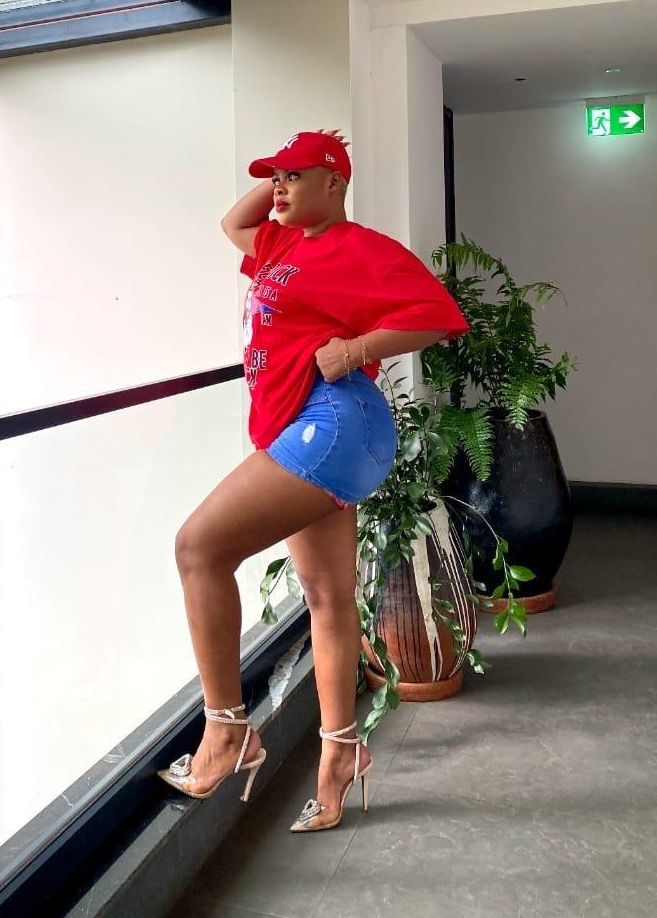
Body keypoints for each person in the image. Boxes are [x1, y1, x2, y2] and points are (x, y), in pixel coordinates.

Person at [157, 129, 469, 831]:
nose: (279, 188)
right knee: (328, 597)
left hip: (331, 423)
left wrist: (357, 349)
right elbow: (233, 223)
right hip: (312, 427)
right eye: (276, 177)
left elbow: (439, 317)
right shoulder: (279, 243)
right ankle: (340, 755)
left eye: (296, 176)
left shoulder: (359, 248)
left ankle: (226, 730)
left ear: (335, 183)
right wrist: (281, 175)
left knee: (198, 548)